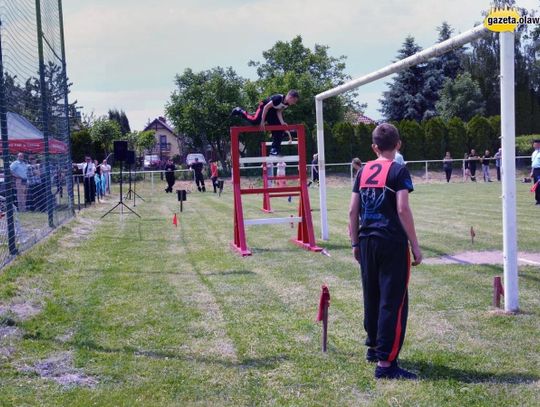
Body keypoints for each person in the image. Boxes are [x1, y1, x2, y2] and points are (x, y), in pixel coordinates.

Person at [348, 123, 422, 380]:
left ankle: (373, 347)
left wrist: (355, 243)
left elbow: (352, 212)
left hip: (367, 241)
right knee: (393, 301)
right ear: (398, 144)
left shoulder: (363, 170)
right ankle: (386, 364)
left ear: (374, 147)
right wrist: (415, 244)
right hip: (391, 242)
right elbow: (402, 209)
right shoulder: (399, 170)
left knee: (372, 294)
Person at [231, 90, 299, 156]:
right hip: (263, 108)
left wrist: (282, 122)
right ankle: (240, 111)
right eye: (294, 101)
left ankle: (274, 149)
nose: (294, 103)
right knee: (255, 121)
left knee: (279, 129)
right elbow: (266, 107)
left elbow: (279, 111)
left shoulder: (287, 104)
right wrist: (262, 121)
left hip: (272, 112)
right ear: (290, 97)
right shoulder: (278, 98)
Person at [530, 139, 540, 205]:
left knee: (539, 185)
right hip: (535, 170)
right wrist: (532, 172)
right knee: (536, 186)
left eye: (535, 144)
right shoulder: (534, 153)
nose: (534, 145)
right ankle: (537, 200)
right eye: (534, 144)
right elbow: (533, 163)